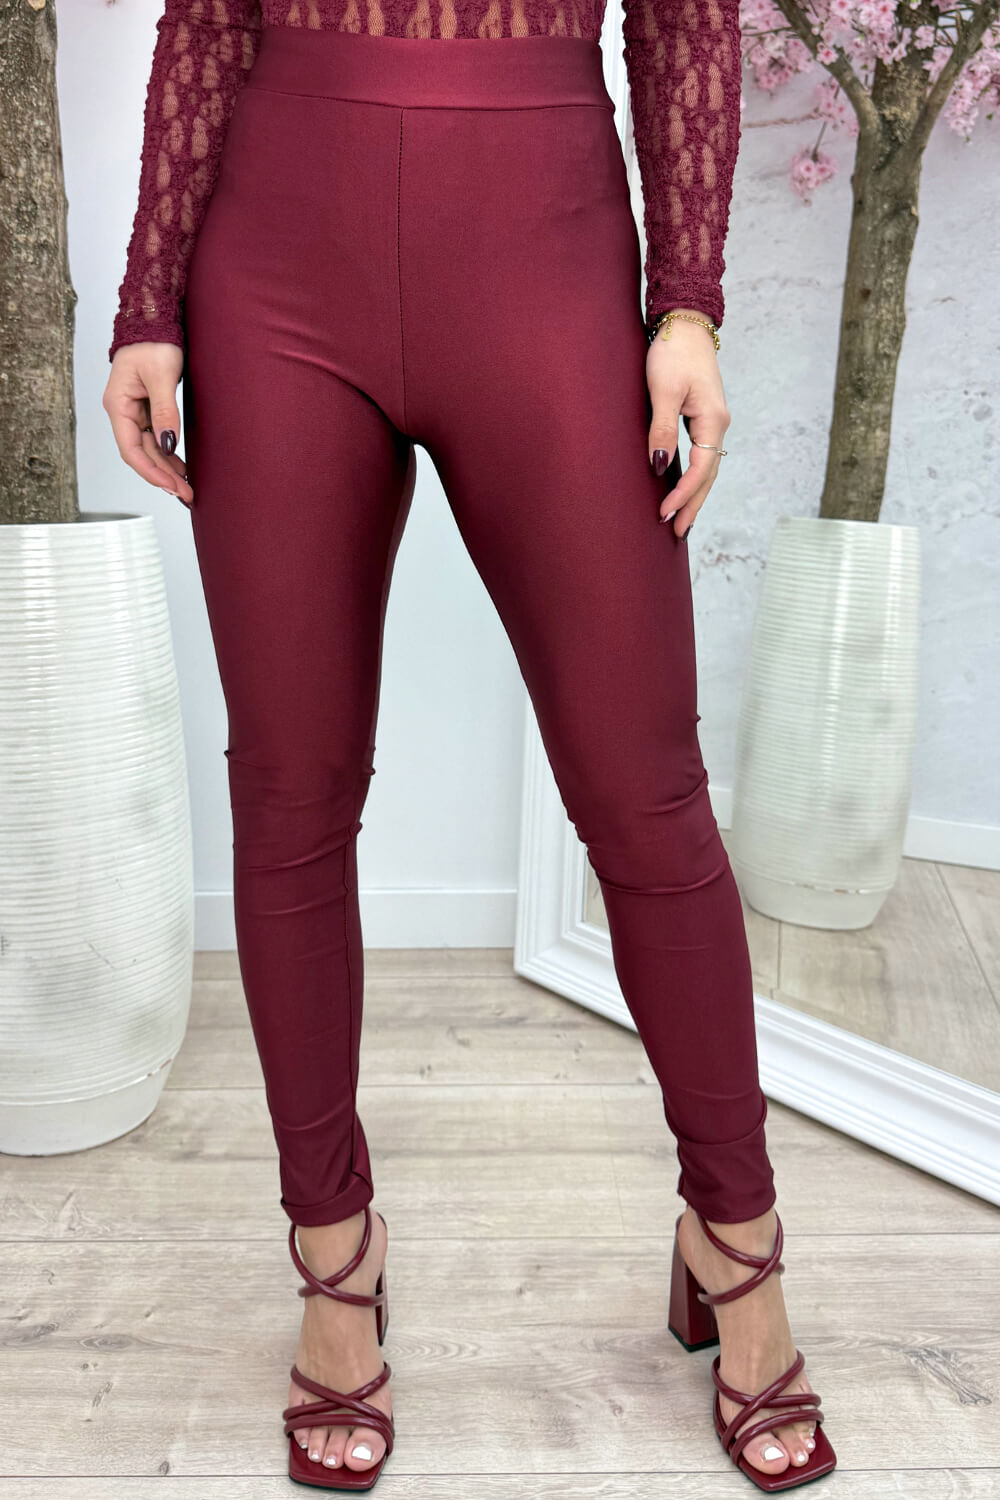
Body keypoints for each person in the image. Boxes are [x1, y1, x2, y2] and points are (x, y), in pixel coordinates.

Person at [101, 2, 836, 1494]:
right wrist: (148, 298)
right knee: (290, 794)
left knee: (644, 792)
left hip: (544, 245)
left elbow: (685, 19)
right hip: (274, 254)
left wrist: (688, 302)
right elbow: (208, 18)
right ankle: (334, 1258)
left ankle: (737, 1244)